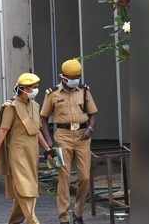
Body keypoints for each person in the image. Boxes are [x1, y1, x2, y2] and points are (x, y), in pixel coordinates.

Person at [40, 59, 98, 224]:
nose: (76, 79)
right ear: (63, 77)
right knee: (63, 177)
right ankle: (64, 217)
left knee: (85, 177)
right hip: (62, 137)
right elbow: (43, 118)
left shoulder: (84, 91)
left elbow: (93, 114)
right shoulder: (52, 93)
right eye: (72, 77)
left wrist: (90, 129)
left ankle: (78, 213)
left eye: (78, 76)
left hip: (82, 137)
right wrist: (49, 141)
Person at [0, 73, 52, 224]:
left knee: (27, 187)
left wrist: (48, 149)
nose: (35, 90)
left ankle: (14, 221)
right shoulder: (11, 107)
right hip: (17, 153)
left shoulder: (35, 106)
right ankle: (33, 220)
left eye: (36, 87)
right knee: (25, 188)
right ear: (22, 89)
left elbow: (36, 131)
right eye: (32, 88)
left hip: (32, 153)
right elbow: (3, 131)